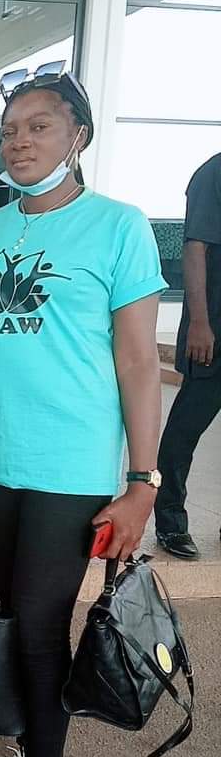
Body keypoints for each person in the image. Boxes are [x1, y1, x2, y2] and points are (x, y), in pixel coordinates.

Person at [0, 70, 165, 757]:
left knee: (41, 625)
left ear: (77, 135)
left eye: (40, 126)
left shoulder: (119, 227)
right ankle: (33, 750)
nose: (20, 141)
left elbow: (138, 361)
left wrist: (144, 479)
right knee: (11, 617)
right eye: (11, 129)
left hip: (70, 465)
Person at [155, 152, 221, 559]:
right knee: (184, 432)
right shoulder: (214, 173)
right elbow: (195, 248)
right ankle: (170, 522)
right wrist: (199, 322)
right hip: (213, 332)